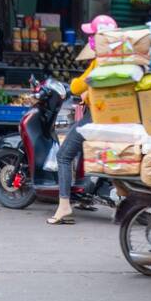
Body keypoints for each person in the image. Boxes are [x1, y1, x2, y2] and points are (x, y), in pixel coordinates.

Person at [47, 13, 115, 226]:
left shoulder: (100, 62)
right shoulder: (117, 60)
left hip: (94, 118)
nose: (89, 40)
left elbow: (78, 85)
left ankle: (64, 205)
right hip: (113, 119)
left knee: (64, 155)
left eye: (91, 36)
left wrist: (79, 85)